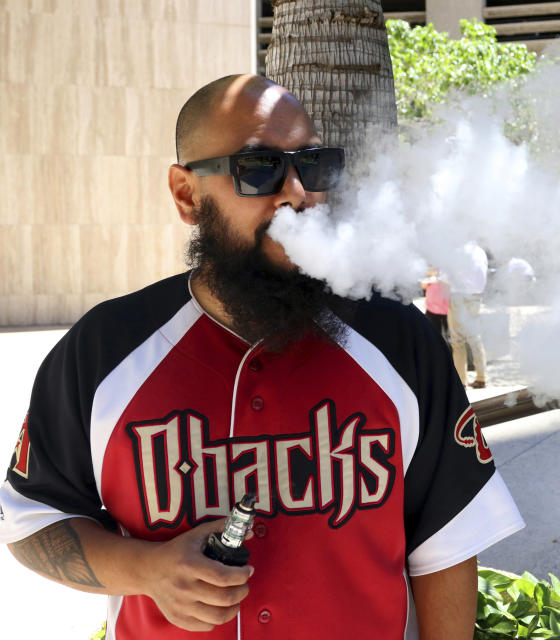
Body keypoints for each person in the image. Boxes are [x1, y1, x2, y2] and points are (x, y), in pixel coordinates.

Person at [0, 75, 523, 640]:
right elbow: (33, 519)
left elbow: (446, 543)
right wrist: (146, 572)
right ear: (186, 195)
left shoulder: (398, 342)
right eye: (259, 169)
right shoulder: (104, 348)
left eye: (313, 165)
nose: (297, 192)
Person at [448, 241, 489, 389]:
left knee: (457, 340)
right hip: (476, 297)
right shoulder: (480, 250)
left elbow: (448, 275)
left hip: (459, 296)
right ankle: (481, 377)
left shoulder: (458, 250)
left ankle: (461, 381)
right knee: (475, 338)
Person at [420, 268, 451, 344]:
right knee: (433, 337)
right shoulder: (430, 269)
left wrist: (439, 278)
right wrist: (431, 276)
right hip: (431, 309)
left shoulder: (450, 267)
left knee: (449, 339)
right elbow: (423, 286)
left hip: (447, 310)